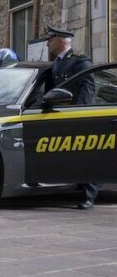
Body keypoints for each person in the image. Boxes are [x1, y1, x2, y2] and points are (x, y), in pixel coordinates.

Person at [45, 25, 97, 210]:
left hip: (78, 114)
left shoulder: (79, 60)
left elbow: (88, 86)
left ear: (60, 41)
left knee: (86, 154)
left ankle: (89, 194)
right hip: (62, 115)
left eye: (50, 40)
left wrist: (80, 112)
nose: (47, 43)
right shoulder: (57, 63)